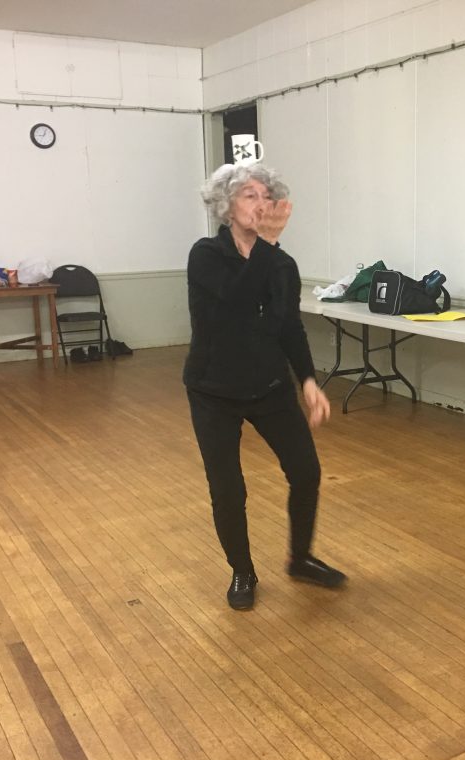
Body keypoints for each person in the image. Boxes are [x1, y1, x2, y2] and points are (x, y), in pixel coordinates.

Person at [184, 162, 347, 610]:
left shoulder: (282, 265)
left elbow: (289, 326)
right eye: (249, 195)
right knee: (228, 489)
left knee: (306, 471)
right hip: (213, 389)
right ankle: (243, 571)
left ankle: (301, 558)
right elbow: (237, 299)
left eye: (266, 197)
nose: (261, 205)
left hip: (269, 385)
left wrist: (308, 379)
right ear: (227, 205)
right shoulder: (206, 256)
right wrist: (268, 246)